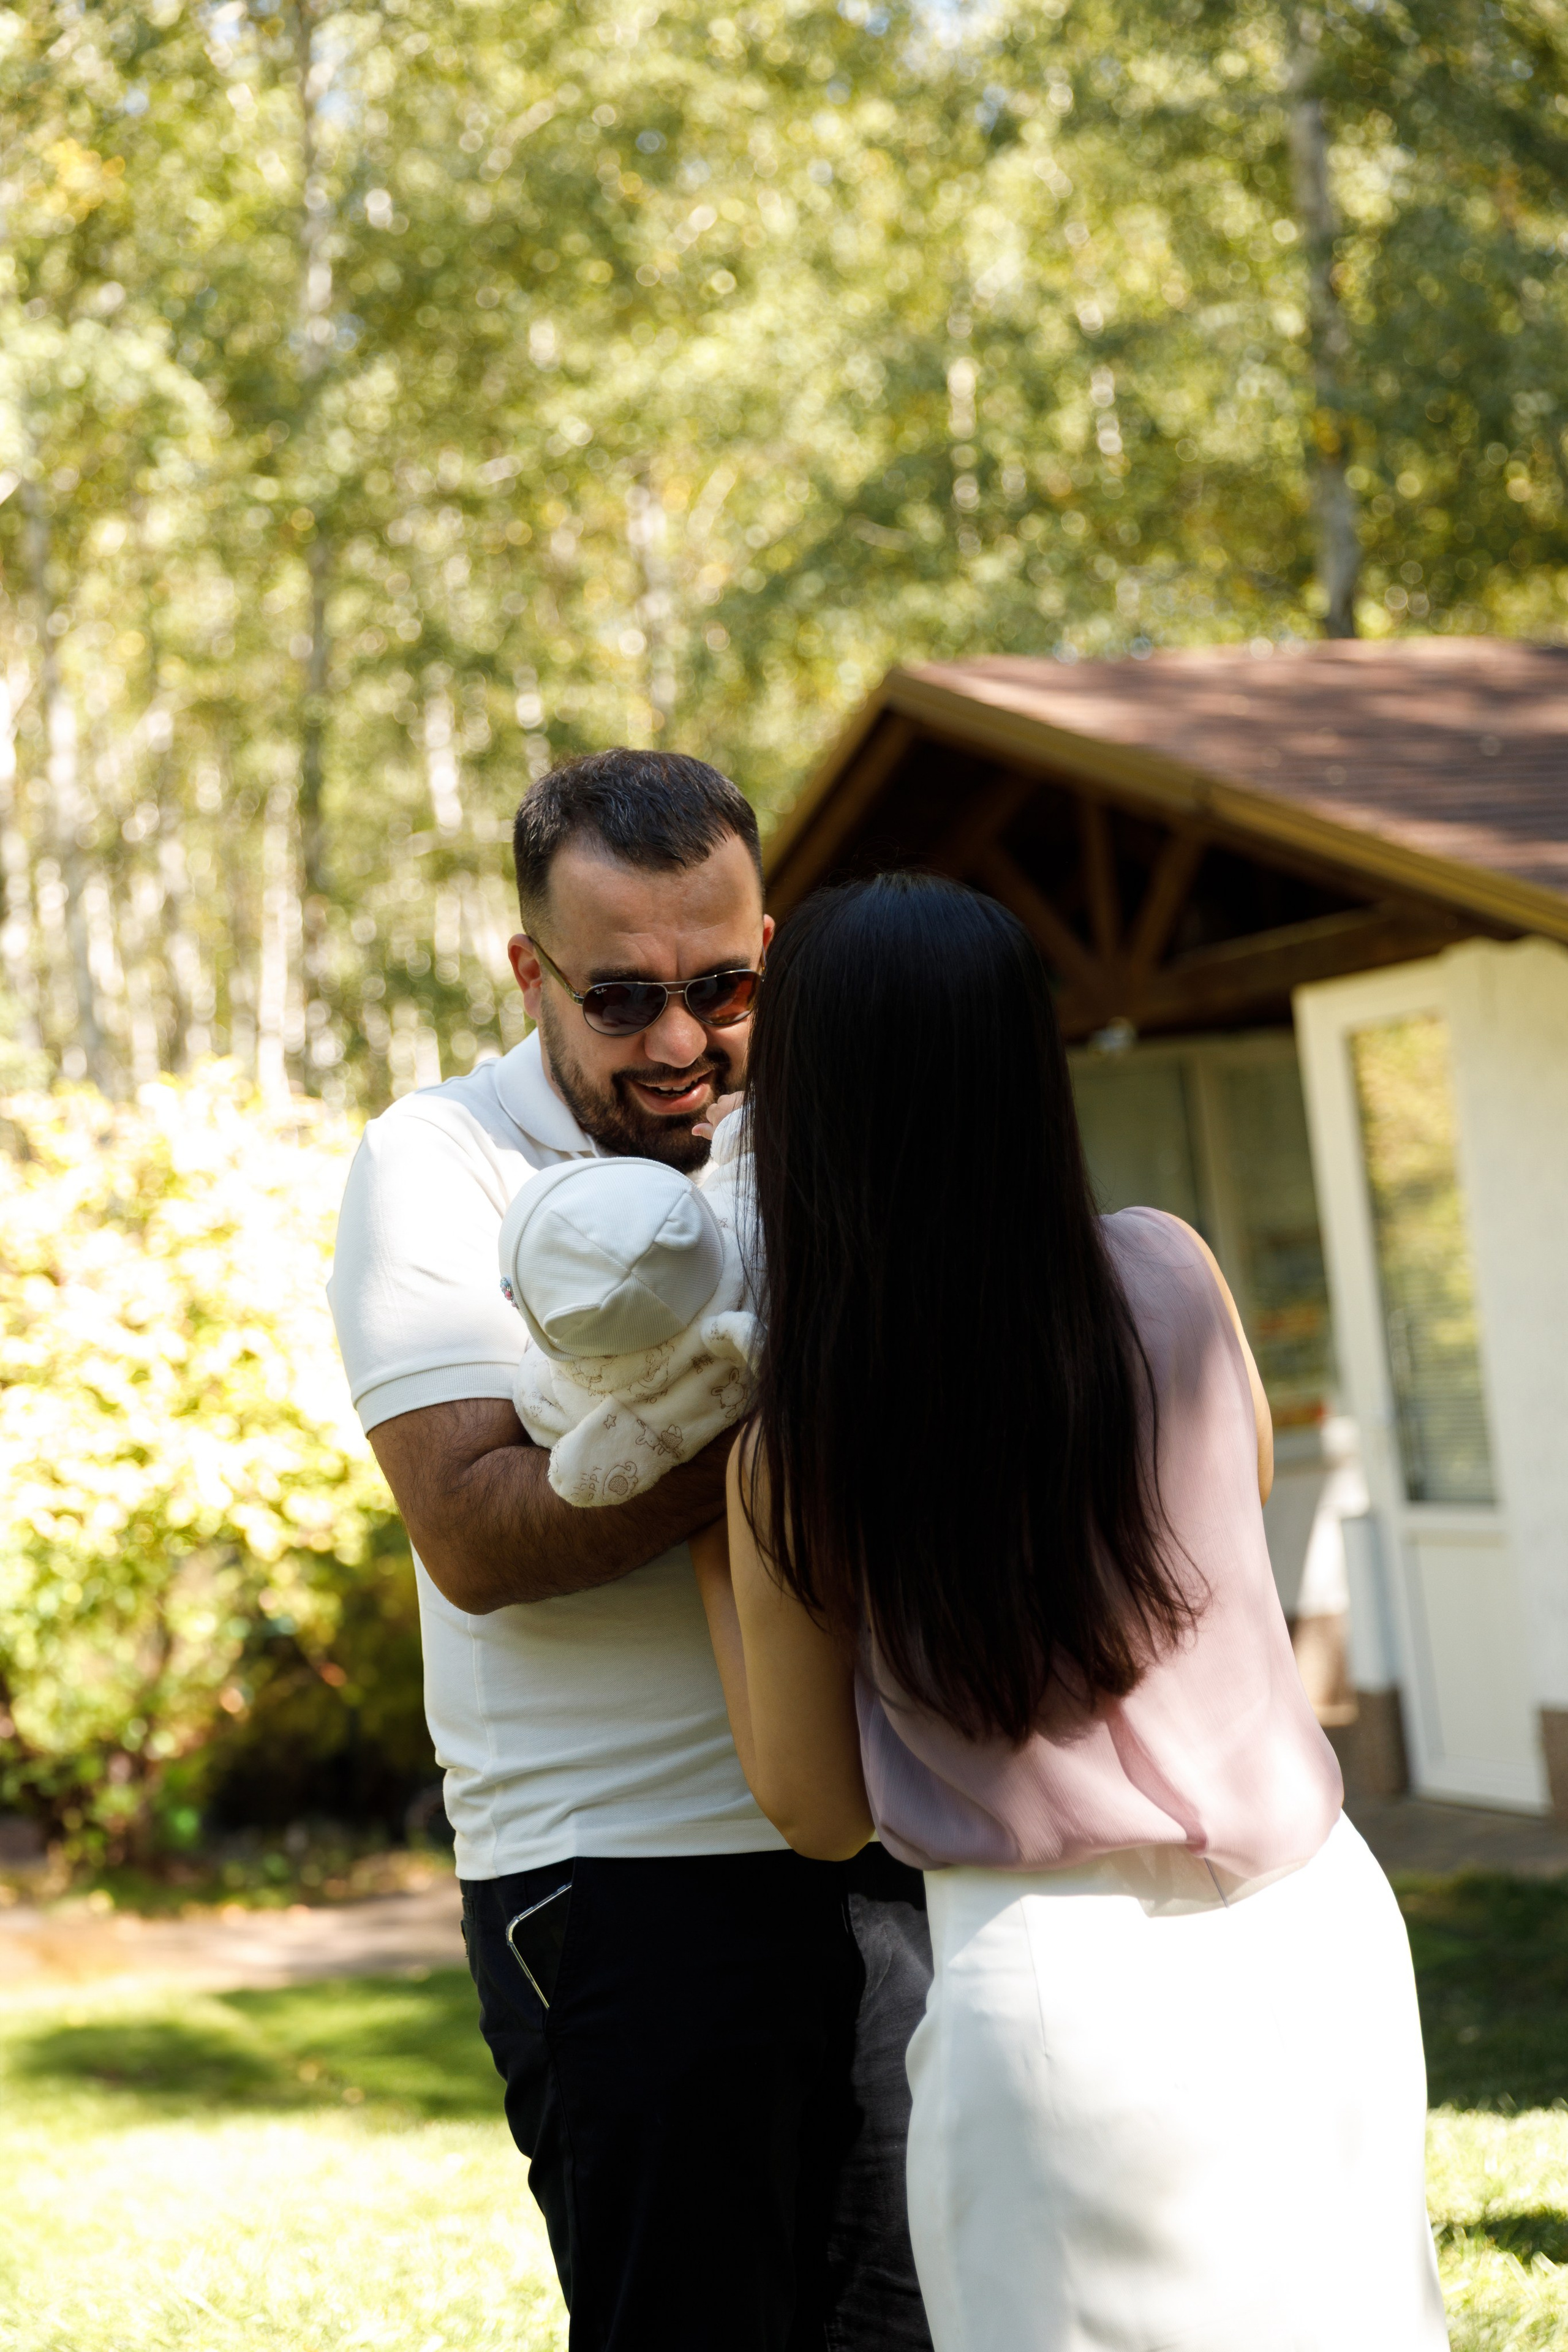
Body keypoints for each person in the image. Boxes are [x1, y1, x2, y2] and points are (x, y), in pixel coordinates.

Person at [693, 872, 1450, 2352]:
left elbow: (814, 1809)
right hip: (1314, 1926)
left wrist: (718, 1556)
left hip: (1054, 1996)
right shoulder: (1171, 1267)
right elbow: (1245, 1474)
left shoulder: (796, 1447)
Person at [326, 752, 932, 2352]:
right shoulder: (440, 1163)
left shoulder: (823, 1133)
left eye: (725, 986)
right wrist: (779, 1420)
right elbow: (474, 1531)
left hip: (888, 1852)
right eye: (621, 999)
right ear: (531, 973)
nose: (681, 1041)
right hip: (617, 1887)